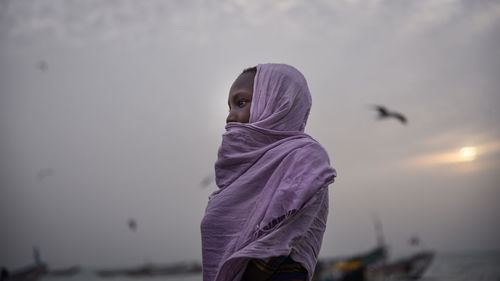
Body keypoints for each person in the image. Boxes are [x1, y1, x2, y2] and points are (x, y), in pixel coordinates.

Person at [201, 63, 337, 281]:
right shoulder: (240, 173)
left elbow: (277, 242)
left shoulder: (304, 159)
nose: (229, 117)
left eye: (241, 102)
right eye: (229, 107)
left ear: (278, 102)